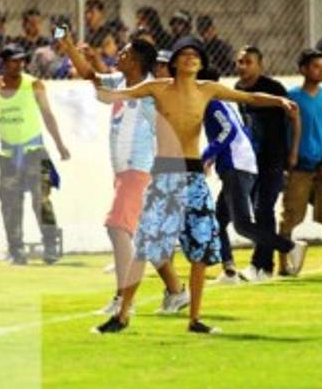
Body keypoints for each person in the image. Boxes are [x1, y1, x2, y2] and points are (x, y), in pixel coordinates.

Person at [93, 37, 298, 335]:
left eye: (195, 55)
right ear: (174, 62)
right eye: (184, 55)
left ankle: (195, 319)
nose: (190, 58)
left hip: (193, 177)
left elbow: (250, 99)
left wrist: (278, 100)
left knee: (200, 249)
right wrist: (102, 91)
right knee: (145, 246)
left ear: (201, 64)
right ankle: (122, 315)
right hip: (163, 176)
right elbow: (122, 93)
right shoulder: (158, 88)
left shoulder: (208, 90)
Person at [57, 32, 190, 316]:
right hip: (124, 172)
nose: (119, 55)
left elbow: (167, 130)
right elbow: (90, 76)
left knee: (117, 228)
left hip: (138, 171)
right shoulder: (119, 82)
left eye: (125, 54)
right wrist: (68, 46)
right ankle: (177, 292)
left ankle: (122, 299)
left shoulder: (151, 94)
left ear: (138, 62)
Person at [200, 69, 306, 285]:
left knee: (242, 225)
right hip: (240, 164)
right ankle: (229, 271)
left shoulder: (212, 103)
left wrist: (206, 155)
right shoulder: (226, 102)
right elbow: (243, 132)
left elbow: (227, 131)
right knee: (218, 221)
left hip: (236, 166)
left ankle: (290, 247)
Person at [0, 43, 71, 264]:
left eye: (22, 60)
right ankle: (16, 250)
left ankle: (50, 246)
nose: (19, 64)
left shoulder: (34, 84)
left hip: (34, 151)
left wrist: (60, 144)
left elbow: (48, 115)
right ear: (3, 63)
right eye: (14, 60)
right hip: (8, 154)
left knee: (41, 201)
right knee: (10, 204)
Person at [233, 46, 296, 280]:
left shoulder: (274, 89)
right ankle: (265, 265)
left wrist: (292, 154)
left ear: (260, 65)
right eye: (240, 62)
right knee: (256, 211)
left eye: (248, 62)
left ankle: (259, 263)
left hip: (273, 158)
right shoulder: (237, 90)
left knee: (264, 208)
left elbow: (293, 119)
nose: (243, 66)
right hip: (250, 160)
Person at [280, 49, 322, 277]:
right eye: (316, 66)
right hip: (299, 168)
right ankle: (283, 264)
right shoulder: (292, 97)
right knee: (289, 216)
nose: (321, 70)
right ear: (304, 70)